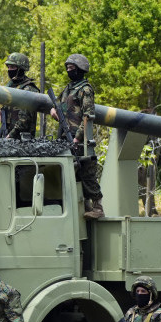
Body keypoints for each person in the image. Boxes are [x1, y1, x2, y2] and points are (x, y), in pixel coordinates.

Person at [50, 53, 103, 218]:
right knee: (71, 172)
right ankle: (83, 206)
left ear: (80, 69)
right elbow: (58, 106)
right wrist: (54, 111)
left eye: (72, 68)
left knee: (86, 170)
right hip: (64, 135)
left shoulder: (85, 89)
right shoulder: (68, 88)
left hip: (79, 138)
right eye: (67, 68)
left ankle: (97, 207)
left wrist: (78, 136)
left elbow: (88, 115)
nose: (68, 70)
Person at [0, 52, 41, 139]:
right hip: (8, 135)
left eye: (13, 67)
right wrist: (0, 108)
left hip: (22, 139)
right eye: (8, 67)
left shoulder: (28, 89)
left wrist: (10, 135)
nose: (10, 70)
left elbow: (24, 120)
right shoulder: (10, 86)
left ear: (21, 68)